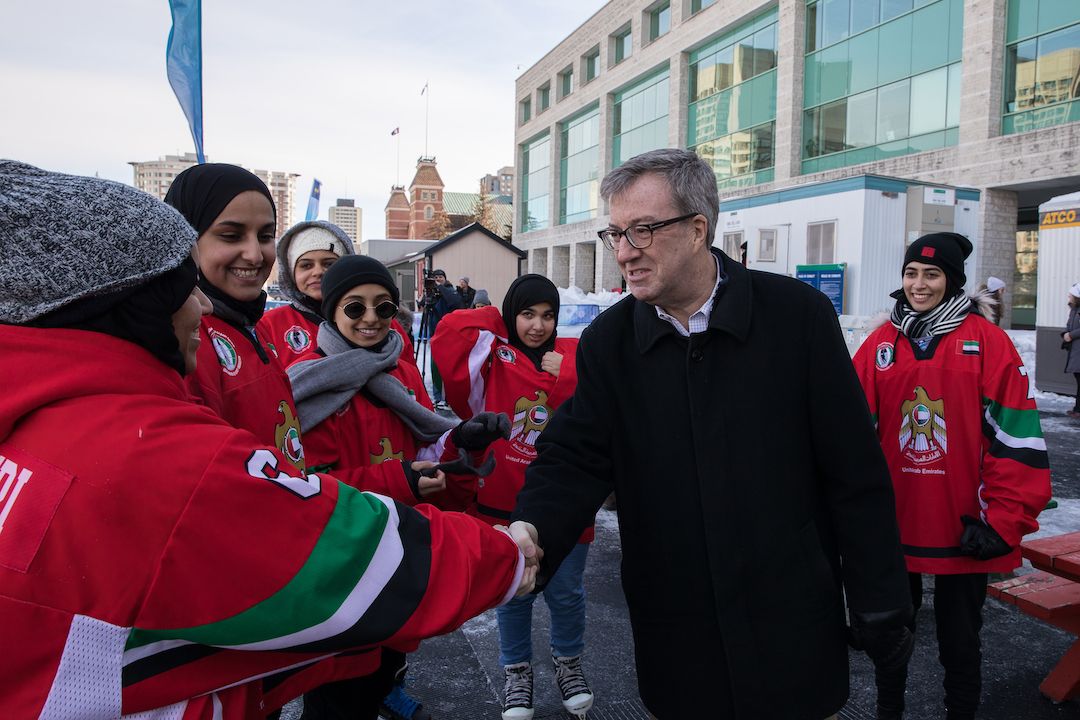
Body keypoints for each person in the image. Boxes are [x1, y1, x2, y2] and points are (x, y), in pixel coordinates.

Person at [0, 160, 533, 719]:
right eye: (186, 279)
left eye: (264, 235)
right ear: (134, 300)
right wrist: (501, 557)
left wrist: (455, 450)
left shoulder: (71, 406)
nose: (205, 301)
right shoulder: (148, 430)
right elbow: (294, 524)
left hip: (249, 648)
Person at [508, 148, 913, 719]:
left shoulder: (797, 318)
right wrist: (534, 530)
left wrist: (881, 597)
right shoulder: (610, 343)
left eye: (643, 230)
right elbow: (573, 457)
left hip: (790, 618)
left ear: (698, 228)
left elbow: (854, 470)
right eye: (616, 233)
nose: (624, 252)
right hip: (678, 630)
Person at [286, 254, 512, 720]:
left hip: (398, 550)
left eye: (383, 307)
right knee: (336, 699)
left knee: (382, 674)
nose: (371, 319)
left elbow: (425, 447)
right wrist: (403, 479)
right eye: (355, 308)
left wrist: (460, 442)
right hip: (341, 570)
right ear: (331, 311)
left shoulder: (403, 369)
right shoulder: (307, 378)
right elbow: (309, 489)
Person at [853, 232, 1051, 720]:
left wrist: (1001, 522)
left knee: (960, 641)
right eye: (911, 274)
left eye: (932, 274)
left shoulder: (989, 342)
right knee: (890, 636)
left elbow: (1016, 437)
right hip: (896, 525)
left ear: (953, 281)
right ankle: (888, 713)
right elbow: (850, 436)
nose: (919, 285)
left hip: (966, 527)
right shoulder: (881, 343)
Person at [432, 275, 592, 720]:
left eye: (547, 315)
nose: (538, 326)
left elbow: (597, 408)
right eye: (526, 314)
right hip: (502, 503)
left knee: (565, 594)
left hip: (565, 506)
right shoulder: (492, 360)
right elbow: (451, 332)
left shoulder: (573, 358)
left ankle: (568, 662)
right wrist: (497, 319)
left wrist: (566, 378)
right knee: (514, 595)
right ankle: (517, 672)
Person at [164, 163, 303, 463]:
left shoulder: (254, 327)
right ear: (186, 242)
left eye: (265, 236)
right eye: (231, 236)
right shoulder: (183, 338)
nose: (254, 255)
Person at [259, 219, 415, 370]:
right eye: (306, 265)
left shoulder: (382, 322)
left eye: (329, 264)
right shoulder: (270, 325)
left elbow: (410, 381)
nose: (318, 272)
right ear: (291, 274)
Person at [417, 268, 463, 406]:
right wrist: (426, 294)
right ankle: (438, 397)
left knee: (448, 367)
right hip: (434, 335)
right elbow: (422, 305)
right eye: (435, 277)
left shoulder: (449, 290)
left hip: (448, 335)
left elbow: (455, 302)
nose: (437, 279)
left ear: (445, 278)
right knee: (434, 365)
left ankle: (450, 397)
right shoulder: (432, 293)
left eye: (440, 277)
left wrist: (440, 287)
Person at [1062, 282, 1080, 418]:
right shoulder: (1074, 309)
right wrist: (1065, 333)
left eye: (1071, 295)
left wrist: (1071, 335)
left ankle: (1078, 409)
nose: (1069, 297)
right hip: (1074, 349)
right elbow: (1069, 324)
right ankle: (1077, 408)